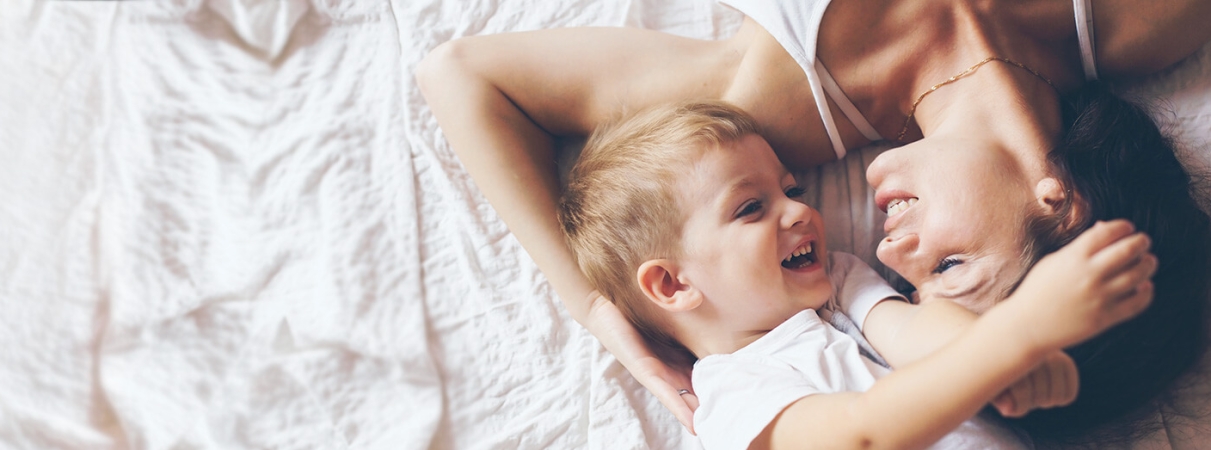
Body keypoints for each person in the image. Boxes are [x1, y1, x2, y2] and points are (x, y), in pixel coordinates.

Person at [416, 0, 1211, 442]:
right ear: (1061, 200)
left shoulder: (760, 123)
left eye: (918, 282)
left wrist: (595, 306)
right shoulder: (1146, 19)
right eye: (950, 267)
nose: (893, 250)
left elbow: (462, 76)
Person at [557, 100, 1156, 449]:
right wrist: (1016, 334)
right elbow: (862, 435)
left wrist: (1010, 358)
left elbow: (918, 330)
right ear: (674, 284)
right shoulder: (732, 400)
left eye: (789, 189)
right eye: (750, 208)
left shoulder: (837, 282)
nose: (798, 209)